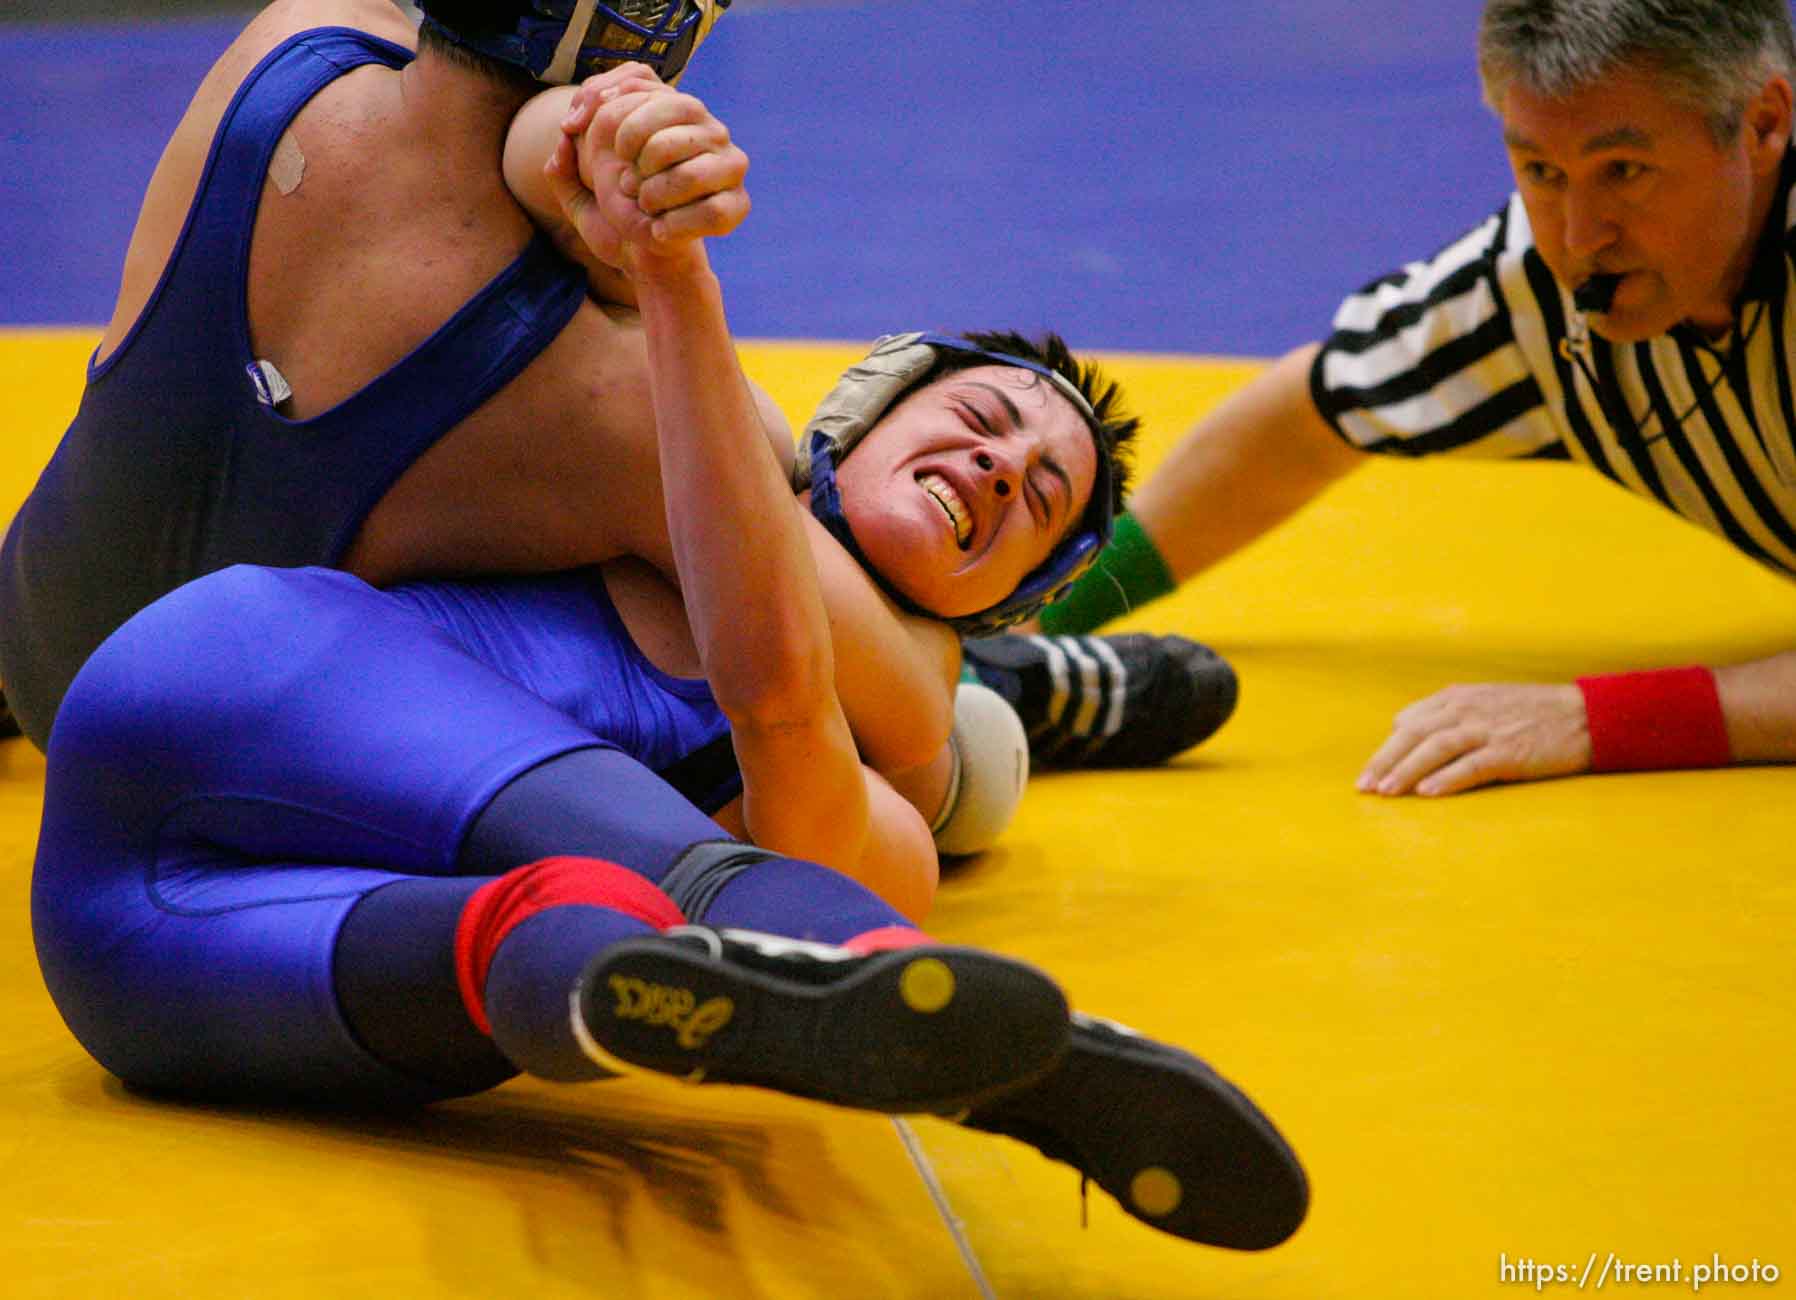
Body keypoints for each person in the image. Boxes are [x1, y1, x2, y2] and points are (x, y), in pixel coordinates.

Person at [28, 69, 1308, 1253]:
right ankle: (1011, 1049)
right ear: (850, 419)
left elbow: (786, 704)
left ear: (1011, 602)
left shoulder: (893, 806)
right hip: (229, 674)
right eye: (976, 421)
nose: (994, 467)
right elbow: (528, 173)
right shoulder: (678, 440)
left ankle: (717, 979)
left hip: (125, 949)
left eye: (1036, 496)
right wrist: (643, 201)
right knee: (709, 874)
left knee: (564, 948)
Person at [0, 0, 1229, 774]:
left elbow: (515, 141)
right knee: (946, 767)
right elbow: (901, 705)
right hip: (198, 776)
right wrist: (653, 266)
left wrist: (593, 200)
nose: (995, 465)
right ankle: (1021, 682)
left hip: (35, 634)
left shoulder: (291, 38)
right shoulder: (625, 408)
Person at [1025, 0, 1796, 797]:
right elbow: (1307, 420)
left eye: (1624, 172)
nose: (1579, 235)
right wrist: (1039, 614)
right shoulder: (1535, 291)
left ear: (1764, 123)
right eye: (1542, 172)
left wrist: (1596, 721)